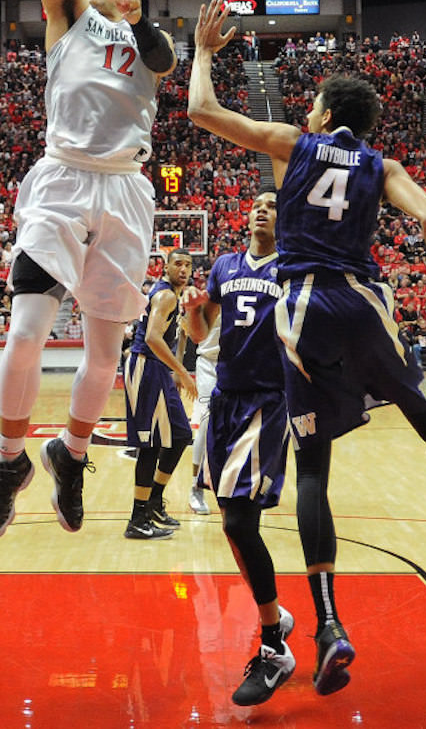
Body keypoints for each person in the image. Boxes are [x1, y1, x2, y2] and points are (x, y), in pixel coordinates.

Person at [187, 0, 426, 696]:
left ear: (326, 112)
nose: (305, 111)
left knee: (313, 469)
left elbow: (205, 115)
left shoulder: (295, 145)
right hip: (365, 302)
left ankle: (329, 625)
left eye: (312, 105)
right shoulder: (381, 162)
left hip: (304, 309)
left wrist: (207, 55)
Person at [0, 0, 177, 541]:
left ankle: (73, 451)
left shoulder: (148, 41)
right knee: (27, 330)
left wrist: (140, 15)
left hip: (125, 189)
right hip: (62, 180)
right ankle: (10, 460)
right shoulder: (67, 20)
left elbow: (160, 57)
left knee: (102, 354)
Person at [182, 192, 295, 707]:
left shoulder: (293, 265)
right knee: (232, 520)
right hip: (225, 399)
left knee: (237, 523)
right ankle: (277, 614)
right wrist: (190, 317)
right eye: (256, 204)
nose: (261, 209)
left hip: (266, 402)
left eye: (272, 204)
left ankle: (275, 647)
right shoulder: (225, 265)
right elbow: (201, 329)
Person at [123, 248, 197, 540]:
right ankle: (137, 518)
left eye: (188, 265)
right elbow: (152, 338)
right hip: (145, 366)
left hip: (157, 369)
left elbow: (173, 335)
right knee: (151, 444)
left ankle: (153, 501)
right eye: (178, 263)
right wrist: (181, 370)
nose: (184, 269)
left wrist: (176, 360)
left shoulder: (177, 298)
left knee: (180, 435)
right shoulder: (166, 295)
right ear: (166, 267)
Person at [188, 311, 219, 515]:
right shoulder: (212, 292)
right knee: (207, 423)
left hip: (237, 364)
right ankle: (196, 488)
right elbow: (188, 332)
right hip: (208, 363)